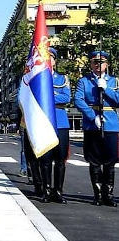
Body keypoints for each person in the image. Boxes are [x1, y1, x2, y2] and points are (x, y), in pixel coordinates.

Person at [74, 50, 119, 207]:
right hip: (92, 124)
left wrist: (106, 89)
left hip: (111, 125)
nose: (98, 65)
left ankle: (109, 194)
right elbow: (78, 100)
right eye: (95, 62)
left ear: (107, 64)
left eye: (101, 62)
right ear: (91, 64)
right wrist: (92, 116)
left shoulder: (114, 81)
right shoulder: (84, 81)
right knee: (94, 161)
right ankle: (98, 194)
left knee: (110, 161)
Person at [38, 47, 71, 203]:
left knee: (60, 159)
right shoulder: (37, 78)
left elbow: (66, 97)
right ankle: (46, 190)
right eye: (46, 57)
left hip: (61, 122)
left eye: (51, 58)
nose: (49, 60)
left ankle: (58, 191)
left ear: (55, 61)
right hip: (43, 121)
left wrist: (48, 98)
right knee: (45, 159)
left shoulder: (62, 79)